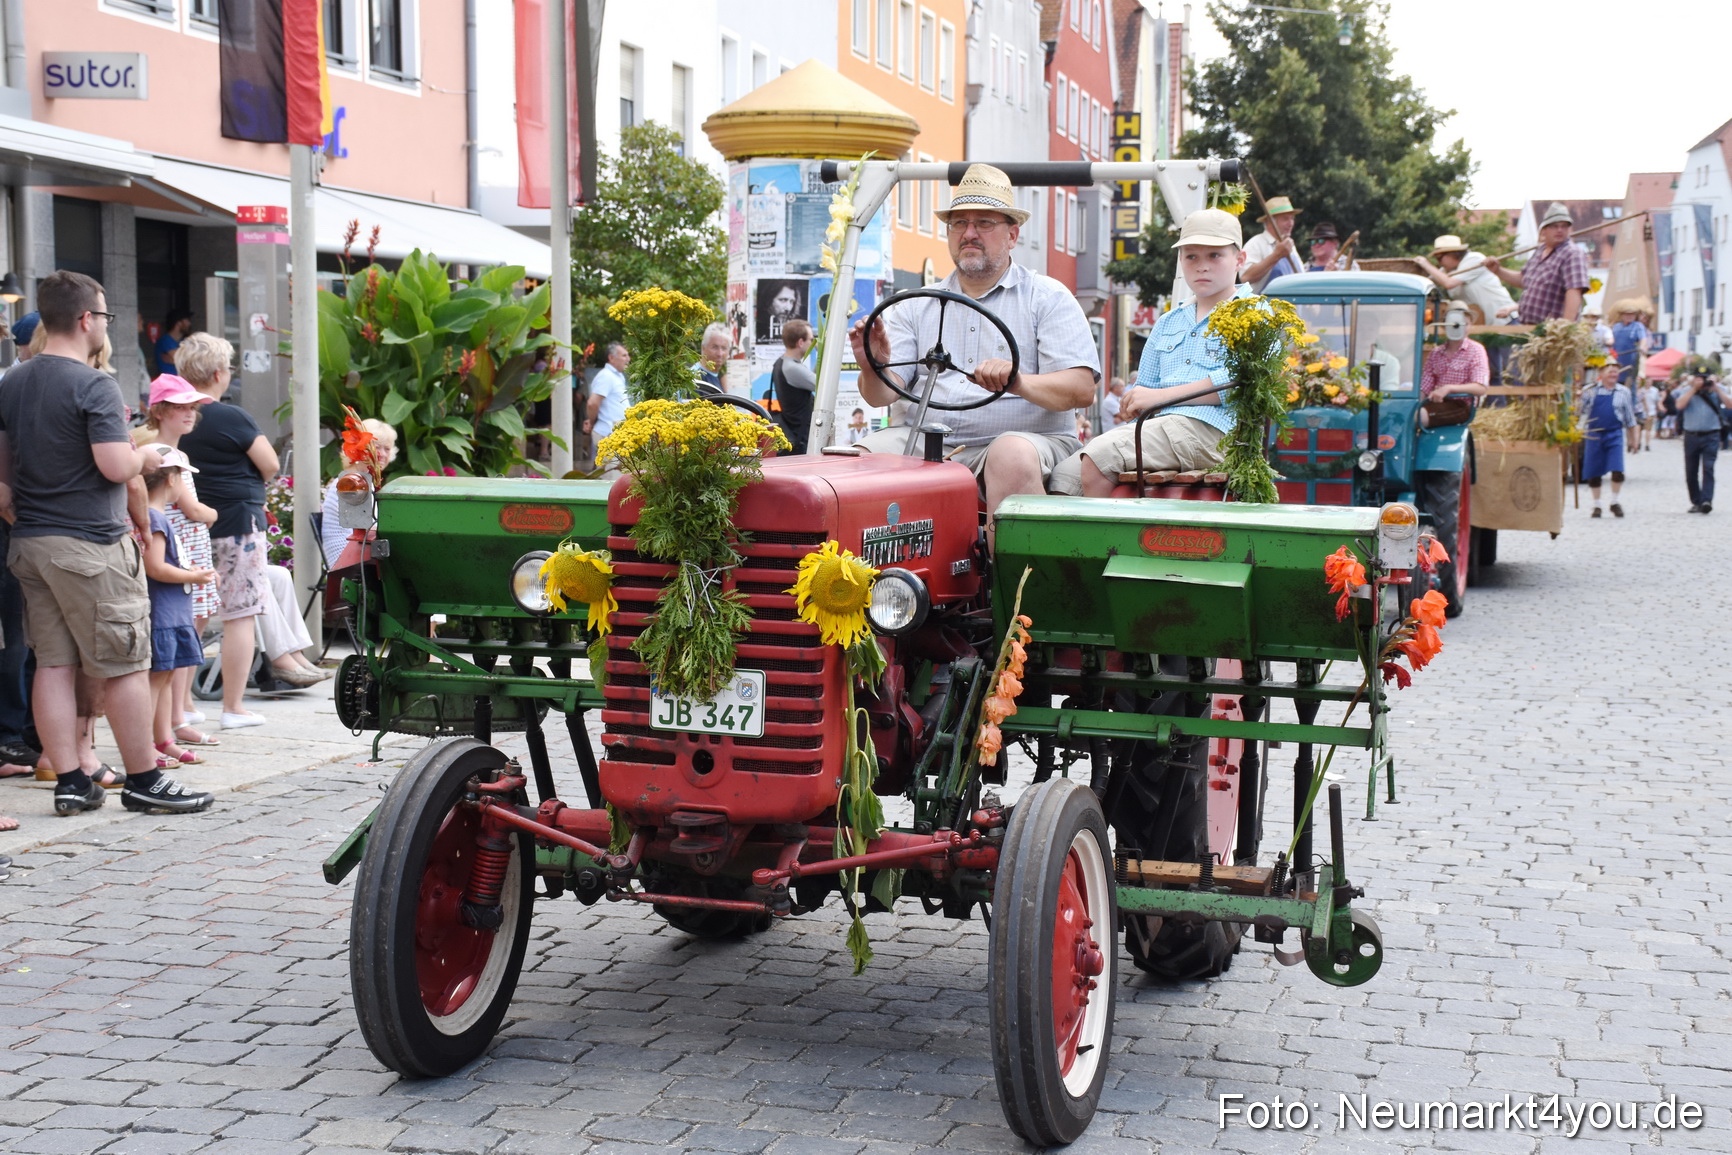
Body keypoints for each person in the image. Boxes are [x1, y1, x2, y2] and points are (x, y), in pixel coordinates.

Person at [0, 270, 214, 817]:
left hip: (31, 542)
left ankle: (70, 779)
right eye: (104, 315)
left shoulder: (12, 381)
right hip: (91, 544)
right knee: (123, 664)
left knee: (52, 663)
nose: (103, 325)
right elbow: (116, 465)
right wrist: (148, 457)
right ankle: (145, 779)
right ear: (85, 320)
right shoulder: (93, 384)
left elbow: (3, 478)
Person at [847, 163, 1098, 542]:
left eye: (984, 223)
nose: (969, 233)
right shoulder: (914, 303)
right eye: (958, 223)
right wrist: (874, 366)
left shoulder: (1047, 297)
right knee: (850, 461)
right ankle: (870, 591)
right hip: (931, 439)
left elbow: (1081, 390)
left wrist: (1018, 382)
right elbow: (881, 393)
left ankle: (1019, 593)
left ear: (1012, 235)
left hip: (1026, 438)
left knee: (1009, 454)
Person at [1049, 208, 1248, 498]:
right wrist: (1133, 401)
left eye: (1215, 255)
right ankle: (1068, 543)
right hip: (1160, 427)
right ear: (1181, 261)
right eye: (1192, 256)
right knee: (1063, 474)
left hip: (1216, 431)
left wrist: (1156, 398)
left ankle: (1106, 543)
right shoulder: (1169, 321)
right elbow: (1146, 386)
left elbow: (1237, 384)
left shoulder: (1254, 313)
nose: (1202, 266)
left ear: (1239, 260)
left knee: (1100, 458)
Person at [175, 332, 278, 728]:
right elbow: (268, 463)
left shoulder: (177, 415)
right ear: (219, 373)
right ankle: (233, 708)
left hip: (192, 525)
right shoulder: (230, 416)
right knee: (240, 615)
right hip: (237, 522)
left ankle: (182, 704)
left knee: (193, 615)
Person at [132, 375, 223, 743]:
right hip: (179, 553)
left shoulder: (162, 451)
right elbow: (196, 511)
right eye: (180, 407)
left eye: (191, 407)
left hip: (185, 552)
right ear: (160, 411)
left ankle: (178, 715)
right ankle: (176, 718)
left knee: (188, 641)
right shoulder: (165, 457)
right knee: (184, 641)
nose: (189, 413)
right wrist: (214, 513)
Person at [140, 448, 217, 766]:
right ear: (171, 478)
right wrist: (193, 575)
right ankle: (145, 745)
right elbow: (154, 567)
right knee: (156, 681)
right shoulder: (155, 518)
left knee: (167, 678)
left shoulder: (157, 516)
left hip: (173, 613)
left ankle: (163, 739)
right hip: (163, 614)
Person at [1414, 306, 1488, 609]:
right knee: (1413, 412)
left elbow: (1481, 386)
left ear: (1468, 324)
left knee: (1419, 417)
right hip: (1432, 407)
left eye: (1461, 320)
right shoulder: (1438, 353)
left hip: (1458, 408)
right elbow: (1423, 387)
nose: (1455, 326)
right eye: (1451, 321)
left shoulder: (1475, 351)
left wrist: (1449, 389)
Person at [1485, 203, 1589, 324]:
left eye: (1564, 226)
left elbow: (1574, 290)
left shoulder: (1572, 253)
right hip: (1528, 327)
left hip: (1552, 331)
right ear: (1544, 229)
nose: (1560, 230)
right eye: (1554, 226)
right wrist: (1498, 270)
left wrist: (1565, 327)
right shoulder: (1540, 251)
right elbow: (1523, 279)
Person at [322, 419, 398, 568]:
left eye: (387, 449)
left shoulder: (365, 480)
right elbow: (363, 532)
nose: (382, 454)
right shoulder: (351, 482)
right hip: (348, 562)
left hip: (363, 555)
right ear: (359, 449)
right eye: (375, 447)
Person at [1577, 361, 1636, 518]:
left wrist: (1633, 440)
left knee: (1617, 469)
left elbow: (1630, 418)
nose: (1613, 374)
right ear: (1601, 374)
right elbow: (1579, 410)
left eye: (1616, 371)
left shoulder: (1623, 392)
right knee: (1593, 471)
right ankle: (1596, 505)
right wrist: (1577, 398)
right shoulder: (1590, 391)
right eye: (1610, 371)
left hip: (1614, 433)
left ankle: (1614, 501)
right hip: (1594, 434)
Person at [1677, 372, 1731, 513]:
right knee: (1691, 470)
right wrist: (1694, 389)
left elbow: (1730, 404)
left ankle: (1707, 500)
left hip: (1711, 435)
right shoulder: (1687, 390)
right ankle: (1696, 501)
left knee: (1708, 468)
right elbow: (1679, 405)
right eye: (1699, 379)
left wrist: (1717, 388)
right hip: (1691, 435)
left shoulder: (1715, 390)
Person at [769, 319, 817, 454]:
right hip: (799, 438)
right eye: (811, 340)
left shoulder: (781, 362)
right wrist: (824, 354)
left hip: (794, 432)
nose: (813, 344)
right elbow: (823, 385)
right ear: (800, 342)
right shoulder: (792, 368)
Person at [1242, 195, 1302, 291]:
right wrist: (1276, 255)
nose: (1291, 223)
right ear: (1269, 221)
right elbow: (1245, 278)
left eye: (1292, 218)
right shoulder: (1256, 244)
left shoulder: (1291, 246)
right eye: (1285, 219)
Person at [584, 342, 629, 465]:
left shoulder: (617, 376)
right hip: (609, 435)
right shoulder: (606, 376)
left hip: (618, 437)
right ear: (611, 358)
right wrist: (592, 422)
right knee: (609, 480)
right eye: (624, 355)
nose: (628, 359)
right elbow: (592, 403)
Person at [1610, 300, 1651, 387]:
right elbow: (1611, 340)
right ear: (1621, 315)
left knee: (1631, 383)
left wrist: (1642, 347)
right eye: (1627, 314)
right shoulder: (1616, 326)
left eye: (1632, 314)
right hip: (1617, 359)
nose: (1630, 316)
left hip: (1631, 360)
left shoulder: (1637, 326)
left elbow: (1643, 339)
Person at [155, 309, 193, 378]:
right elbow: (178, 358)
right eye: (187, 320)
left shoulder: (183, 341)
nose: (189, 324)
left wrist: (175, 360)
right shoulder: (166, 340)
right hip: (169, 381)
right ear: (178, 323)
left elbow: (188, 360)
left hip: (182, 381)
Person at [692, 324, 731, 391]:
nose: (720, 354)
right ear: (703, 348)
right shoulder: (695, 378)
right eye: (715, 347)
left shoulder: (717, 376)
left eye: (724, 348)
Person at [1637, 376, 1661, 451]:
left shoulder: (1655, 391)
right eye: (1647, 382)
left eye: (1650, 382)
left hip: (1651, 412)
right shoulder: (1641, 390)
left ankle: (1647, 444)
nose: (1648, 383)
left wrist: (1658, 411)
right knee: (1639, 429)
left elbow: (1657, 402)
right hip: (1640, 412)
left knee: (1648, 429)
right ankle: (1639, 443)